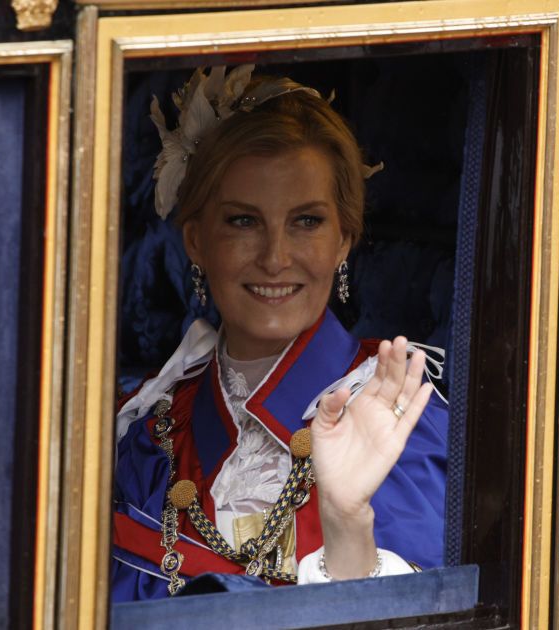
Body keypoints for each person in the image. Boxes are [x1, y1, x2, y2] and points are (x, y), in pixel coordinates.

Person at [110, 66, 449, 601]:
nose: (274, 258)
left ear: (344, 240)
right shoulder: (146, 429)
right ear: (196, 241)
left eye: (306, 222)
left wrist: (346, 520)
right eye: (243, 221)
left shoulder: (406, 429)